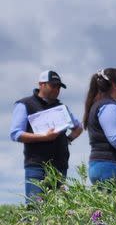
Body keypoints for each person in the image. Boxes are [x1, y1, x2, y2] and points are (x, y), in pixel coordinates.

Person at [9, 70, 83, 202]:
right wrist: (44, 137)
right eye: (53, 86)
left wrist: (68, 139)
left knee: (58, 211)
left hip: (60, 166)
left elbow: (78, 127)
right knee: (36, 209)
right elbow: (16, 134)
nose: (57, 90)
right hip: (37, 166)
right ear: (41, 85)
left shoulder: (61, 108)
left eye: (59, 87)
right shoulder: (25, 104)